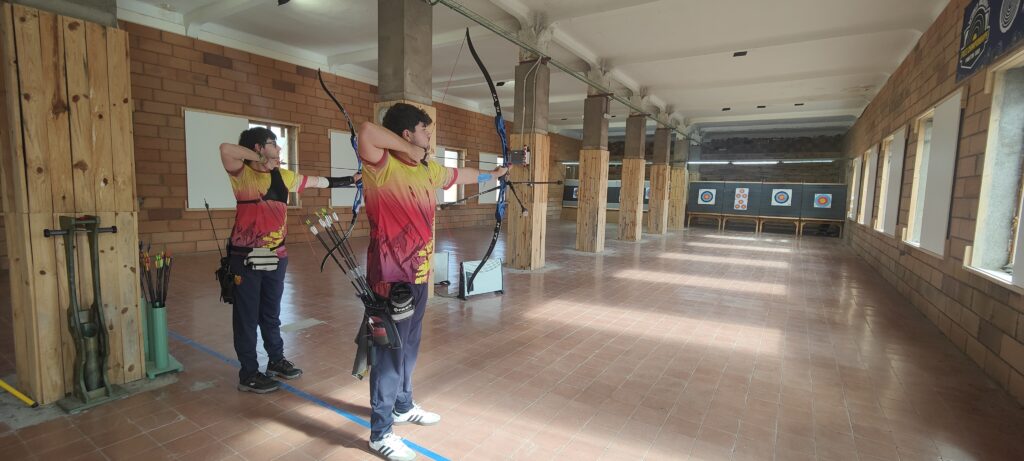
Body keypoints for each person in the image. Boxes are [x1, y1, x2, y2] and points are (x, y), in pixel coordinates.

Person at [356, 103, 507, 461]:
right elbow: (366, 131)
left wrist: (494, 175)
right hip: (390, 278)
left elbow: (460, 175)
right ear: (407, 134)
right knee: (389, 352)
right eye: (425, 131)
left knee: (409, 345)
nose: (429, 137)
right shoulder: (381, 165)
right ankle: (380, 433)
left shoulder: (427, 169)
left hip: (419, 274)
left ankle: (402, 405)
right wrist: (408, 150)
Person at [219, 127, 361, 394]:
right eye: (274, 144)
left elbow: (319, 181)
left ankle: (276, 360)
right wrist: (259, 159)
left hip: (276, 255)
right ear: (259, 148)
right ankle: (248, 374)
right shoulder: (243, 175)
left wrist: (351, 180)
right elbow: (225, 149)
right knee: (247, 317)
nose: (279, 149)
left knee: (270, 313)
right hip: (247, 257)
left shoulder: (284, 176)